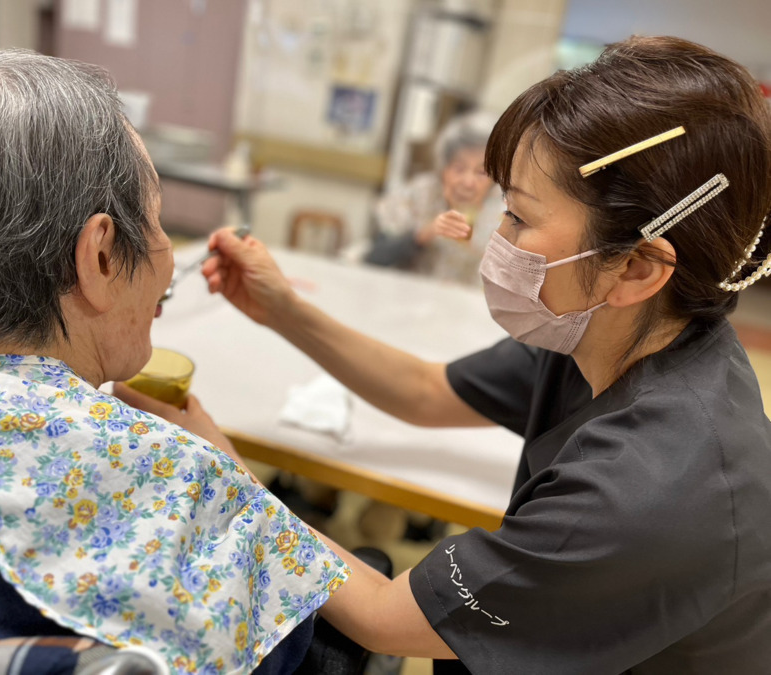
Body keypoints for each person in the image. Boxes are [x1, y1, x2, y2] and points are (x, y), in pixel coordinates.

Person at [185, 36, 771, 672]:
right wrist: (282, 309)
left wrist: (226, 478)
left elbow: (385, 618)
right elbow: (426, 392)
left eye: (518, 218)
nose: (497, 239)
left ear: (633, 266)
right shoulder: (607, 330)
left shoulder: (645, 492)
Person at [0, 49, 350, 674]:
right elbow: (290, 638)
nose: (168, 255)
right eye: (155, 220)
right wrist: (232, 476)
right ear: (99, 257)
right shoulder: (184, 487)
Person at [363, 111, 501, 284]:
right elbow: (374, 258)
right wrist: (424, 233)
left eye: (481, 172)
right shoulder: (421, 193)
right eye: (459, 168)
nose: (468, 182)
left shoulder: (504, 211)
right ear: (444, 168)